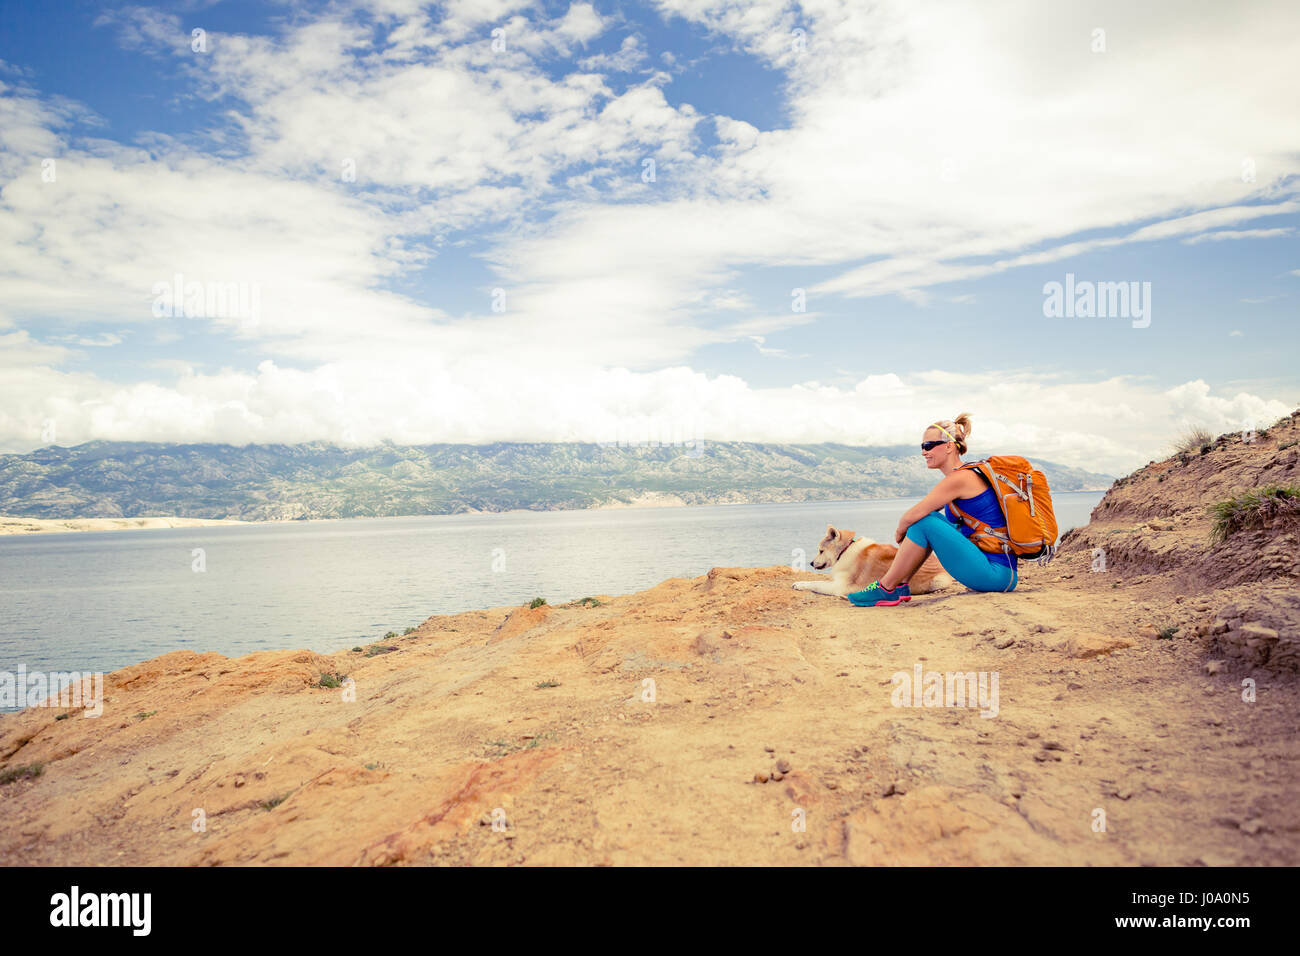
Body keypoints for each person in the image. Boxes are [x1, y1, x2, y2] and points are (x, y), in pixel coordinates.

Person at [848, 413, 1017, 607]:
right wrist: (911, 533)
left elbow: (910, 517)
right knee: (926, 520)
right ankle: (901, 585)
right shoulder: (962, 476)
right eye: (922, 447)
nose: (923, 452)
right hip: (996, 571)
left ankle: (886, 587)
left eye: (928, 446)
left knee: (924, 521)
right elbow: (924, 515)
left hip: (995, 575)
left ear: (949, 446)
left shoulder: (960, 479)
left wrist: (901, 533)